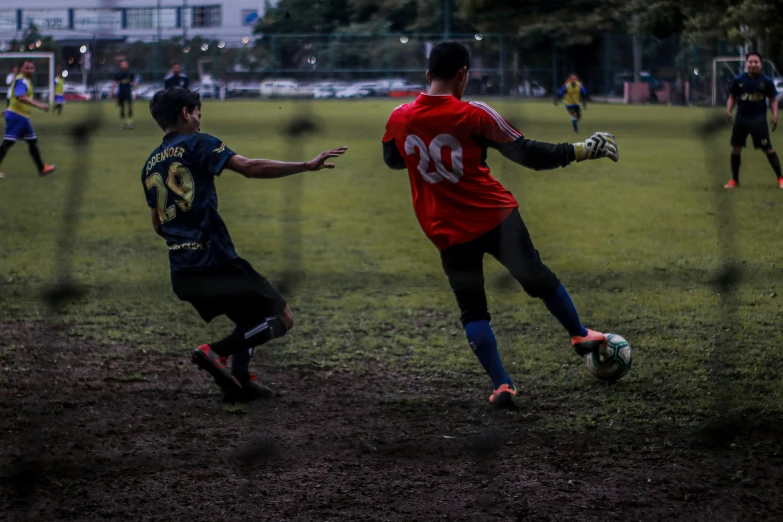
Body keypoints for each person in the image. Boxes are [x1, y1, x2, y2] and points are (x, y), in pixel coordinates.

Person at [381, 42, 619, 407]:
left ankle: (502, 385)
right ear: (463, 74)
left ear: (428, 75)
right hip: (495, 218)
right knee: (537, 278)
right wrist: (584, 149)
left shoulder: (399, 116)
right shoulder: (475, 115)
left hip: (446, 230)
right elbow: (528, 155)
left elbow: (393, 161)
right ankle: (578, 334)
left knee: (473, 310)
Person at [142, 87, 347, 400]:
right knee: (281, 317)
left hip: (182, 272)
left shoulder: (150, 165)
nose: (198, 120)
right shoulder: (198, 142)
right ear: (186, 112)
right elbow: (249, 167)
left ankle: (241, 379)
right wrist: (305, 166)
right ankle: (215, 353)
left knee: (250, 319)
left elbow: (158, 224)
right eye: (198, 113)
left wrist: (184, 241)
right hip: (215, 259)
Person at [725, 51, 781, 188]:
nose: (753, 64)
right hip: (741, 120)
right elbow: (732, 97)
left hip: (758, 121)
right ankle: (734, 180)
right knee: (736, 148)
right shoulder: (738, 80)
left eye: (756, 62)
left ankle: (780, 178)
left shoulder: (766, 82)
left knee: (767, 149)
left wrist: (774, 115)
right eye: (750, 62)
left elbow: (773, 100)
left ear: (760, 64)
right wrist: (729, 110)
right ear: (746, 64)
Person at [0, 60, 56, 180]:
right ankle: (41, 168)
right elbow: (21, 97)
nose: (30, 70)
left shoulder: (25, 81)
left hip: (21, 117)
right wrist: (39, 105)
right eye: (27, 68)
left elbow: (14, 98)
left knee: (32, 142)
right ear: (22, 69)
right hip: (17, 117)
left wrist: (7, 110)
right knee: (8, 143)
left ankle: (42, 168)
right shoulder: (21, 80)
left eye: (32, 68)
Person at [113, 60, 135, 129]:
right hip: (121, 93)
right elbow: (115, 83)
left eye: (125, 64)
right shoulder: (118, 74)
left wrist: (134, 90)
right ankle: (123, 123)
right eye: (122, 64)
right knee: (122, 108)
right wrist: (112, 91)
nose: (123, 65)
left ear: (127, 65)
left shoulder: (130, 74)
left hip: (128, 92)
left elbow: (133, 83)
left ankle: (130, 123)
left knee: (129, 107)